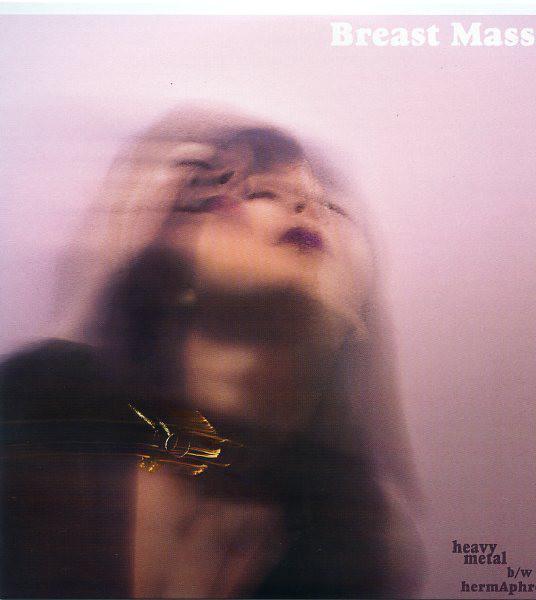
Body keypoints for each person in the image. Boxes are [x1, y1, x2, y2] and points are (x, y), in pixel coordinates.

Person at [1, 106, 424, 598]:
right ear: (165, 254)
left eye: (328, 205)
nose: (305, 206)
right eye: (259, 192)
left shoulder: (351, 536)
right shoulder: (44, 399)